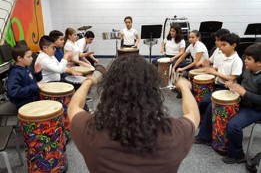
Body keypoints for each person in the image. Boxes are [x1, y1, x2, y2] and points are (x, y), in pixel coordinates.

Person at [68, 54, 200, 173]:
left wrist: (88, 82)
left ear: (109, 89)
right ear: (152, 89)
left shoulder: (89, 129)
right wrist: (185, 88)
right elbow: (193, 114)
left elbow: (73, 107)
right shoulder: (174, 133)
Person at [195, 43, 261, 164]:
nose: (245, 60)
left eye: (248, 59)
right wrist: (232, 83)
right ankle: (204, 137)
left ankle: (237, 155)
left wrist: (244, 92)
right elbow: (237, 80)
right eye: (245, 57)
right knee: (212, 106)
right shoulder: (248, 71)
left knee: (234, 125)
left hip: (254, 109)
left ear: (259, 63)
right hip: (241, 101)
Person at [197, 33, 243, 118]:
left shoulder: (237, 60)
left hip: (226, 87)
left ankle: (202, 119)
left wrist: (215, 73)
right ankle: (201, 118)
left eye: (224, 45)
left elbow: (232, 78)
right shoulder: (222, 56)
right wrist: (208, 66)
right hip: (216, 83)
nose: (221, 47)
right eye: (221, 45)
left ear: (233, 45)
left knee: (206, 102)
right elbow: (219, 69)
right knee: (201, 98)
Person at [7, 44, 42, 109]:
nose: (32, 59)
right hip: (24, 104)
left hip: (34, 99)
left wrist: (37, 73)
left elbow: (35, 80)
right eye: (28, 57)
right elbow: (13, 92)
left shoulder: (28, 67)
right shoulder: (15, 73)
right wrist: (34, 86)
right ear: (19, 58)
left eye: (31, 56)